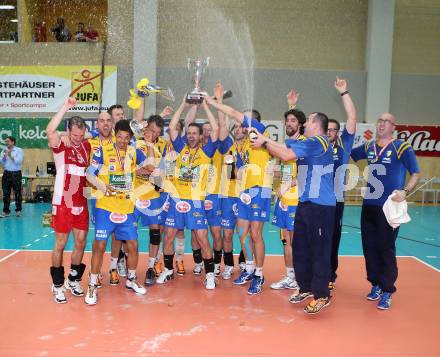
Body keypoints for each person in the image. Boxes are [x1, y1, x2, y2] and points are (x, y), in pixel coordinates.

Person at [251, 111, 336, 314]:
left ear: (316, 124)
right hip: (305, 203)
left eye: (309, 120)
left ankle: (322, 294)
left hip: (321, 206)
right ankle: (306, 287)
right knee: (300, 248)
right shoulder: (310, 143)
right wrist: (266, 142)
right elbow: (287, 148)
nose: (304, 123)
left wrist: (264, 142)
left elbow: (286, 154)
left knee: (319, 252)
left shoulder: (319, 142)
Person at [351, 113, 420, 310]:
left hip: (388, 207)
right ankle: (376, 285)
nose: (381, 124)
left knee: (386, 248)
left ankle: (387, 290)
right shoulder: (368, 147)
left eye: (386, 121)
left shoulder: (401, 147)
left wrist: (405, 191)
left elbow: (416, 172)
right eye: (379, 121)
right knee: (369, 247)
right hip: (369, 206)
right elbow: (350, 152)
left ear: (393, 126)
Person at [205, 96, 273, 295]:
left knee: (255, 234)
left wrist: (214, 101)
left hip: (259, 190)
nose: (242, 125)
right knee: (242, 233)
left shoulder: (261, 134)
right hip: (243, 193)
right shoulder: (238, 147)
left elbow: (234, 115)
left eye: (246, 122)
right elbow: (231, 171)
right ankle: (250, 268)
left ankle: (259, 274)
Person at [85, 120, 150, 305]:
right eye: (120, 136)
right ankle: (92, 284)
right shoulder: (103, 150)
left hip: (126, 208)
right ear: (115, 134)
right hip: (105, 207)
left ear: (131, 138)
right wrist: (101, 185)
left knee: (133, 245)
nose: (122, 140)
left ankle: (131, 279)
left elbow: (150, 167)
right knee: (99, 246)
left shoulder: (133, 151)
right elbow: (89, 174)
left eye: (126, 137)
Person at [157, 96, 219, 289]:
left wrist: (207, 106)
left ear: (201, 136)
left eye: (195, 133)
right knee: (168, 236)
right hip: (176, 200)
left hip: (195, 202)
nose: (191, 135)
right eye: (189, 133)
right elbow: (173, 125)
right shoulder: (180, 147)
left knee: (202, 238)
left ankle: (210, 275)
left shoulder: (206, 151)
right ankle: (168, 270)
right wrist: (183, 104)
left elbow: (216, 130)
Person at [45, 98, 91, 303]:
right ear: (68, 131)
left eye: (81, 135)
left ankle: (74, 279)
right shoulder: (61, 145)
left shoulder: (86, 146)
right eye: (74, 134)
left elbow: (92, 136)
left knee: (80, 242)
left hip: (80, 203)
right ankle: (57, 285)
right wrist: (65, 107)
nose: (78, 138)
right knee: (61, 243)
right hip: (63, 203)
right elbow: (49, 130)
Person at [270, 90, 306, 290]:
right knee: (286, 241)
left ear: (300, 124)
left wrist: (288, 184)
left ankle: (301, 278)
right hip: (283, 201)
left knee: (296, 241)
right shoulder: (288, 144)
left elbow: (304, 172)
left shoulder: (303, 144)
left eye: (293, 120)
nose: (289, 123)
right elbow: (286, 168)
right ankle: (290, 276)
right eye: (287, 121)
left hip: (296, 200)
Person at [327, 77, 357, 290]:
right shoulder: (316, 144)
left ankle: (330, 274)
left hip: (336, 200)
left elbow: (352, 117)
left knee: (333, 239)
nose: (329, 132)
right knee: (315, 239)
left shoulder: (343, 144)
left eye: (333, 129)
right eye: (326, 129)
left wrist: (344, 92)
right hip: (316, 200)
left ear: (338, 132)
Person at [0, 136, 24, 218]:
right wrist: (4, 157)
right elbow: (1, 162)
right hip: (6, 173)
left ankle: (18, 210)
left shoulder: (19, 150)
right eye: (6, 142)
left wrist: (10, 155)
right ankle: (6, 211)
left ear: (13, 142)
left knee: (17, 193)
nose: (6, 143)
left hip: (16, 174)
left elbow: (18, 161)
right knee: (6, 193)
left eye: (8, 141)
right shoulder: (4, 150)